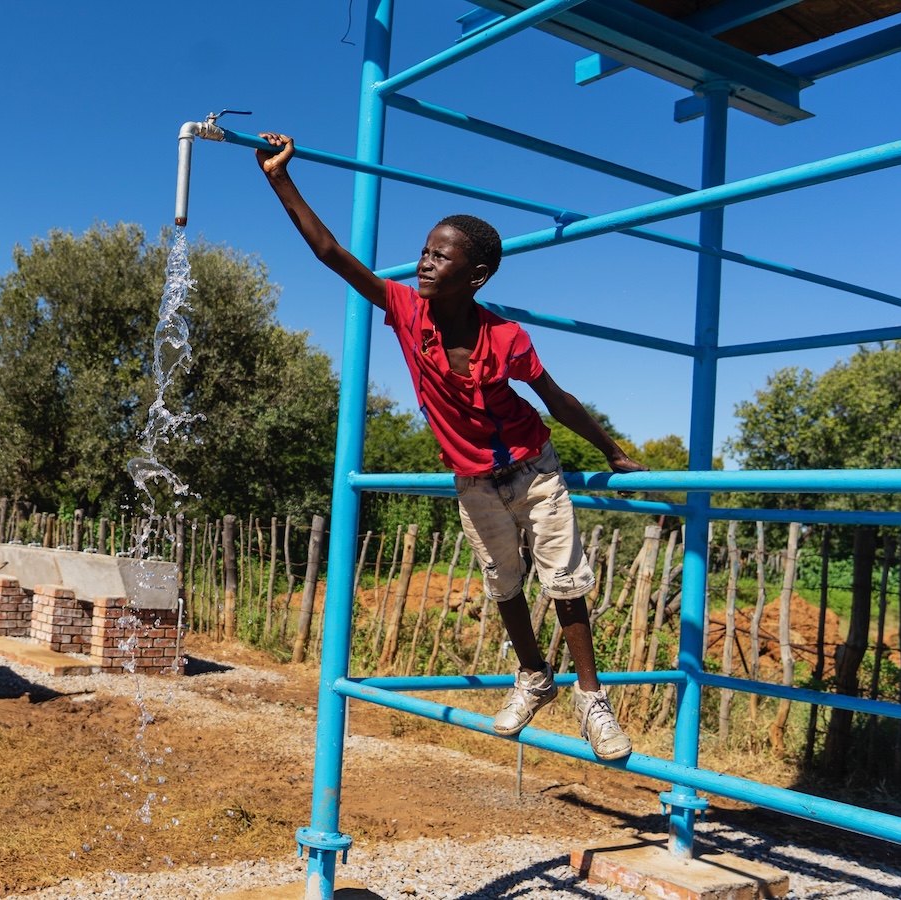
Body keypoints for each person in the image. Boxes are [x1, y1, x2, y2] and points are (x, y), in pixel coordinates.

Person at [256, 132, 646, 760]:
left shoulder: (506, 336)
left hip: (534, 469)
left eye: (440, 257)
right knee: (504, 583)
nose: (425, 264)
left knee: (565, 582)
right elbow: (331, 253)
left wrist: (612, 451)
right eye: (424, 253)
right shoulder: (407, 311)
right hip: (472, 479)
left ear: (477, 274)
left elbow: (556, 399)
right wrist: (279, 178)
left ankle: (592, 698)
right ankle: (534, 676)